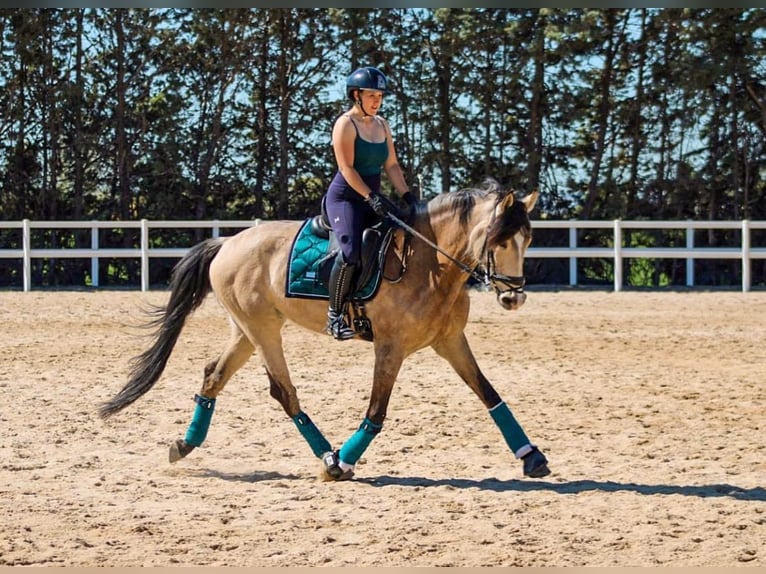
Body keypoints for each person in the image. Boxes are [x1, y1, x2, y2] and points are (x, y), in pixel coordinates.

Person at [323, 65, 418, 341]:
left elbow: (391, 164)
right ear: (356, 95)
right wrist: (370, 196)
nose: (377, 101)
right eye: (372, 95)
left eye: (380, 96)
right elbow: (347, 168)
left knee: (404, 235)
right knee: (352, 252)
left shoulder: (382, 125)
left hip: (372, 198)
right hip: (346, 198)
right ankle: (335, 315)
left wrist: (407, 195)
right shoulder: (345, 124)